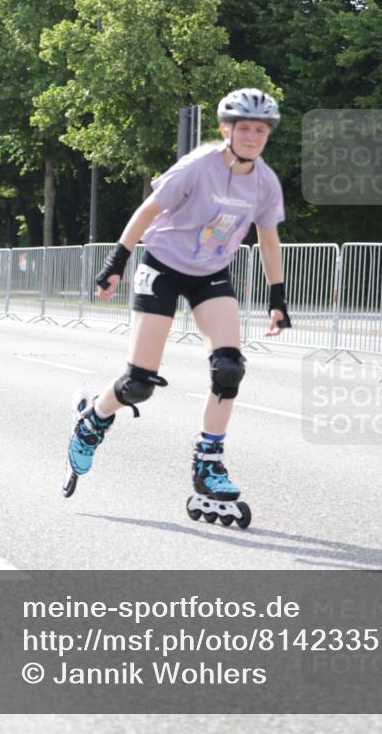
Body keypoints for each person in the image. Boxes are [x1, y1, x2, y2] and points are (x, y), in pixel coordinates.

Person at [62, 87, 291, 526]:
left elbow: (268, 238)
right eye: (244, 127)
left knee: (229, 368)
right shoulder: (197, 166)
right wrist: (116, 262)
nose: (252, 136)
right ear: (226, 129)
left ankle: (209, 462)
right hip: (163, 266)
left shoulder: (265, 182)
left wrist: (277, 296)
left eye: (261, 130)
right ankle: (92, 421)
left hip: (210, 274)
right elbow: (148, 210)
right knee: (138, 383)